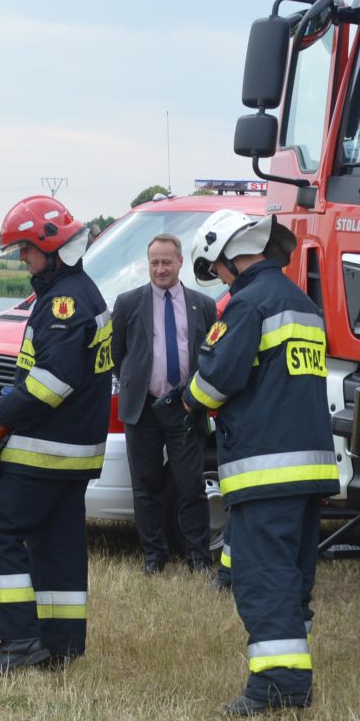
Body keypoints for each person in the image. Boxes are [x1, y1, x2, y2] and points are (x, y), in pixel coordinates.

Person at [176, 209, 339, 716]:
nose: (220, 279)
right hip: (309, 468)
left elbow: (216, 381)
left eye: (218, 269)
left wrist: (184, 402)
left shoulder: (247, 305)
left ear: (227, 256)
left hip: (266, 468)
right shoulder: (302, 303)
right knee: (292, 576)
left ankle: (278, 688)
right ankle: (292, 669)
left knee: (262, 577)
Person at [0, 195, 111, 676]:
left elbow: (51, 383)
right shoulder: (81, 291)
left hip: (48, 450)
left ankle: (19, 641)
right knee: (56, 543)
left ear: (51, 245)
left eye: (26, 249)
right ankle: (57, 642)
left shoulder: (64, 301)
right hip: (74, 451)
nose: (23, 259)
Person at [111, 233, 218, 576]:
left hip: (186, 408)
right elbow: (119, 356)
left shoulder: (203, 305)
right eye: (154, 262)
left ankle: (198, 558)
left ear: (180, 263)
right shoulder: (128, 303)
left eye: (166, 262)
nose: (160, 269)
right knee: (145, 486)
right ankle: (154, 558)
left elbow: (209, 355)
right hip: (142, 407)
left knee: (190, 485)